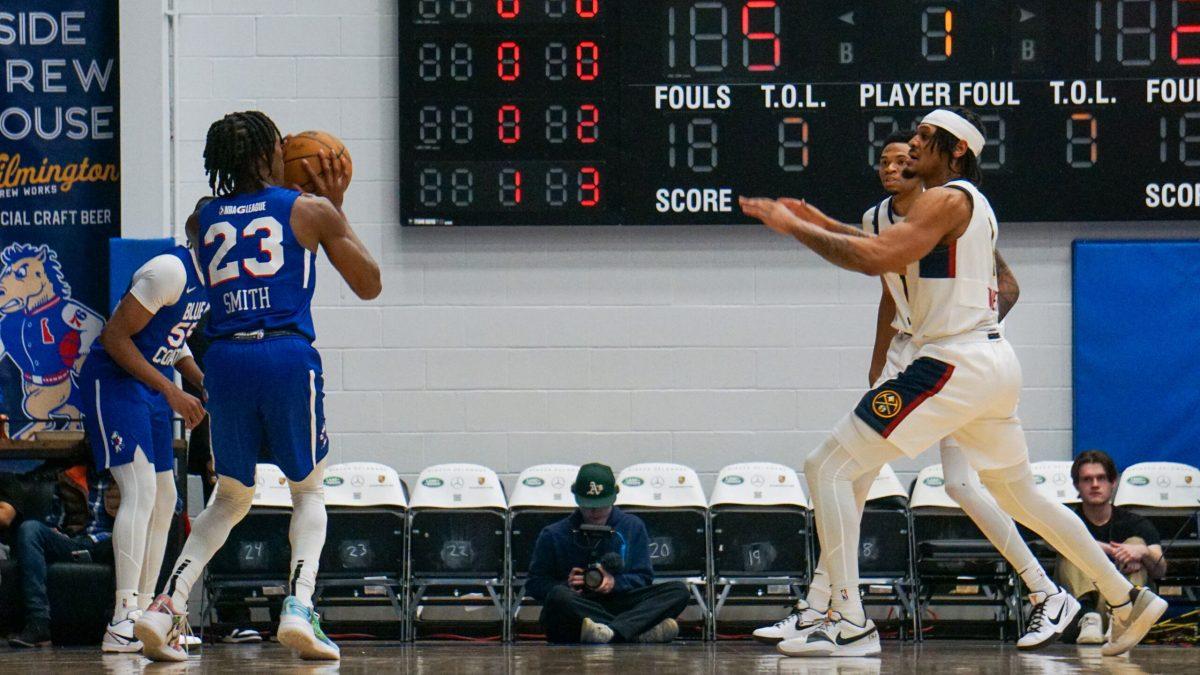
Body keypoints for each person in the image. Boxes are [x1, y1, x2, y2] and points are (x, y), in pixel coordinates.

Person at [740, 107, 1166, 658]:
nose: (911, 146)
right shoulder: (951, 208)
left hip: (950, 364)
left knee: (828, 466)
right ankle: (1122, 596)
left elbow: (877, 259)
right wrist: (821, 222)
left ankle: (847, 619)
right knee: (1017, 493)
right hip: (990, 363)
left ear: (956, 150)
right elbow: (893, 254)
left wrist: (794, 228)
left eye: (923, 138)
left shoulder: (950, 197)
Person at [134, 111, 381, 662]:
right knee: (309, 489)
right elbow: (369, 284)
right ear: (269, 154)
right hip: (285, 353)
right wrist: (334, 209)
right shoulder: (308, 210)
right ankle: (299, 606)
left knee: (230, 495)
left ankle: (165, 606)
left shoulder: (201, 219)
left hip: (224, 360)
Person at [77, 237, 208, 652]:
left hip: (149, 386)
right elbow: (115, 339)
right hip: (114, 380)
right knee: (141, 490)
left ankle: (148, 615)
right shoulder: (170, 270)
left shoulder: (208, 282)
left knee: (167, 497)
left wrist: (201, 381)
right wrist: (172, 392)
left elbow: (174, 339)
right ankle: (121, 618)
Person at [527, 463, 689, 644]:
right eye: (588, 506)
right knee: (559, 597)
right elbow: (535, 584)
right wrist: (567, 585)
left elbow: (644, 577)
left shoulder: (632, 526)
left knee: (679, 590)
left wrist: (615, 583)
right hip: (580, 605)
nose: (594, 512)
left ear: (613, 499)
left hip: (620, 602)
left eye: (601, 505)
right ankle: (634, 631)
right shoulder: (553, 534)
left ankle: (610, 631)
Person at [1061, 450, 1166, 644]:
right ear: (1077, 485)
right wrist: (1115, 552)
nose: (1094, 485)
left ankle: (1121, 619)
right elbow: (1057, 542)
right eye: (1087, 479)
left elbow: (1160, 569)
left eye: (1101, 478)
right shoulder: (1068, 520)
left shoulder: (1135, 523)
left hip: (1121, 609)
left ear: (1113, 482)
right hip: (1078, 612)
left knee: (1136, 543)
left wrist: (1141, 552)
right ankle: (1089, 617)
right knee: (1072, 544)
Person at [8, 466, 114, 648]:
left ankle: (118, 623)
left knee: (129, 539)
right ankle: (38, 622)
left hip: (111, 541)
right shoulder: (69, 477)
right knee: (30, 528)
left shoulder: (128, 477)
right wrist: (56, 531)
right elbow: (55, 521)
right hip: (74, 542)